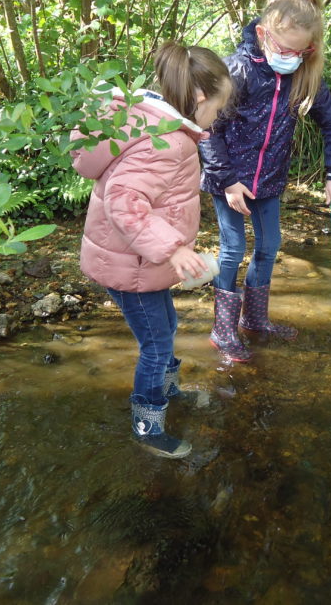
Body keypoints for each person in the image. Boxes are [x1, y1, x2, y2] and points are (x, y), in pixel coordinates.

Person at [71, 42, 232, 459]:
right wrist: (174, 249)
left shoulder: (145, 123)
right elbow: (124, 199)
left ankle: (168, 388)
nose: (217, 116)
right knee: (156, 342)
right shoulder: (171, 143)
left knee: (165, 327)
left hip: (137, 261)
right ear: (199, 99)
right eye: (217, 107)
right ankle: (147, 425)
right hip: (134, 264)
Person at [200, 0, 331, 362]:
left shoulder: (303, 73)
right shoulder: (238, 70)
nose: (291, 56)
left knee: (269, 247)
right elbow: (207, 130)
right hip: (230, 178)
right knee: (233, 249)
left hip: (269, 181)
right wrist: (228, 181)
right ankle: (223, 330)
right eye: (284, 49)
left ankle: (255, 319)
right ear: (263, 34)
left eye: (301, 51)